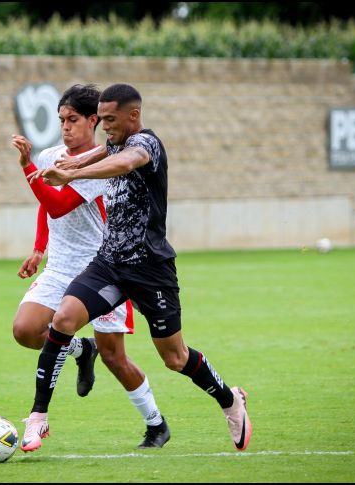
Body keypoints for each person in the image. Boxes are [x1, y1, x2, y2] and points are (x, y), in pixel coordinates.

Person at [22, 83, 252, 453]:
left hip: (150, 268)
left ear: (134, 115)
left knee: (175, 357)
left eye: (110, 119)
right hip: (109, 263)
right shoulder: (113, 142)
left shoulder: (147, 144)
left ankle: (230, 400)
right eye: (101, 119)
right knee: (63, 319)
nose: (104, 126)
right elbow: (105, 151)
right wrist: (75, 162)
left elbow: (126, 161)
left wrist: (74, 174)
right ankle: (38, 416)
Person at [12, 84, 170, 452]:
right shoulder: (52, 156)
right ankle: (82, 351)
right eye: (61, 121)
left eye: (73, 120)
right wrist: (39, 248)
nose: (65, 127)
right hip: (60, 266)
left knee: (115, 356)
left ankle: (156, 423)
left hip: (100, 268)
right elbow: (45, 203)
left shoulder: (101, 168)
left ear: (93, 121)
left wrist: (27, 166)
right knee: (25, 330)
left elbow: (58, 205)